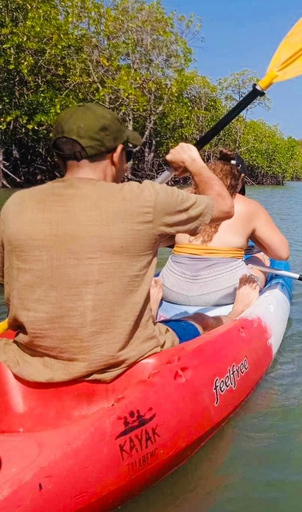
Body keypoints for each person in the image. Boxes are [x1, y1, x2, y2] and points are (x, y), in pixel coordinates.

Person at [0, 103, 260, 383]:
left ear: (58, 155)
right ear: (116, 155)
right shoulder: (144, 200)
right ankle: (236, 314)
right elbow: (223, 206)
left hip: (27, 357)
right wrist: (193, 161)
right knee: (200, 320)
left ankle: (150, 308)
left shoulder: (15, 206)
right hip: (122, 356)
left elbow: (10, 280)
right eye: (129, 154)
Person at [158, 149, 290, 307]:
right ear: (240, 179)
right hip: (224, 291)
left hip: (170, 288)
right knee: (260, 259)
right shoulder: (249, 206)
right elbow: (282, 253)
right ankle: (245, 300)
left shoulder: (185, 198)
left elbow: (158, 240)